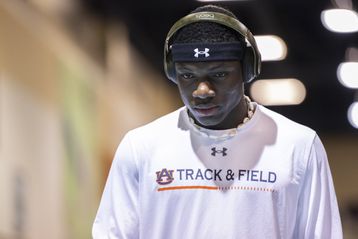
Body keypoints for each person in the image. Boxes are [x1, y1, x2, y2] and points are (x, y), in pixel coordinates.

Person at [92, 4, 343, 239]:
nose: (202, 91)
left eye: (219, 74)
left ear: (247, 69)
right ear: (172, 72)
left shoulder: (298, 146)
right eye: (187, 75)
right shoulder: (141, 147)